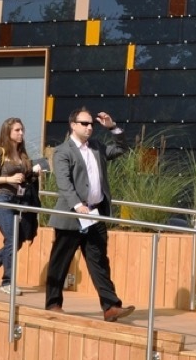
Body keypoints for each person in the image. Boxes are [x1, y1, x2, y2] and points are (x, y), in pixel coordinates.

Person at [45, 108, 135, 321]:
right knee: (61, 261)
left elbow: (122, 148)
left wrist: (112, 127)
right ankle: (53, 303)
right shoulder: (62, 151)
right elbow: (64, 183)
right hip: (71, 214)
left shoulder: (97, 147)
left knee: (99, 261)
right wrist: (77, 205)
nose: (89, 127)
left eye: (91, 124)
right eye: (84, 123)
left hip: (95, 214)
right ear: (73, 125)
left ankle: (111, 306)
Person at [0, 117, 42, 295]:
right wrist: (9, 179)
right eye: (17, 130)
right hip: (2, 200)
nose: (21, 133)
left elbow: (26, 179)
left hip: (19, 201)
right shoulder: (0, 152)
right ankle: (7, 282)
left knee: (18, 239)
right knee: (12, 238)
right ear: (8, 132)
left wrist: (34, 173)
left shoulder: (23, 154)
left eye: (22, 130)